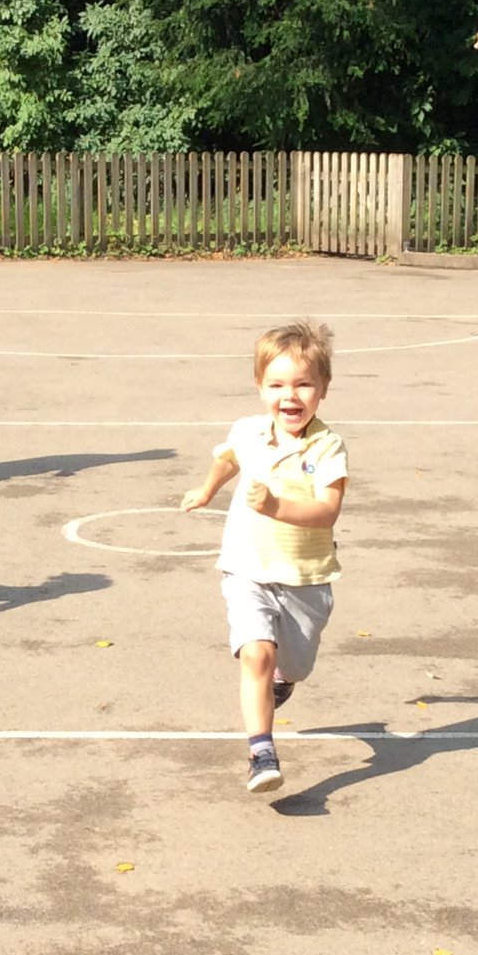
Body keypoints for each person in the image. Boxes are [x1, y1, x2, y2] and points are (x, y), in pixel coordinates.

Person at [181, 321, 348, 794]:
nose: (289, 396)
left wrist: (277, 507)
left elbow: (328, 510)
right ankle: (261, 752)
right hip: (246, 567)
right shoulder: (248, 430)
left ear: (323, 388)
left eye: (303, 384)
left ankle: (284, 679)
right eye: (276, 385)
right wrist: (207, 489)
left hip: (305, 578)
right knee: (256, 653)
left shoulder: (327, 447)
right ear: (259, 386)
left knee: (292, 665)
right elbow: (228, 457)